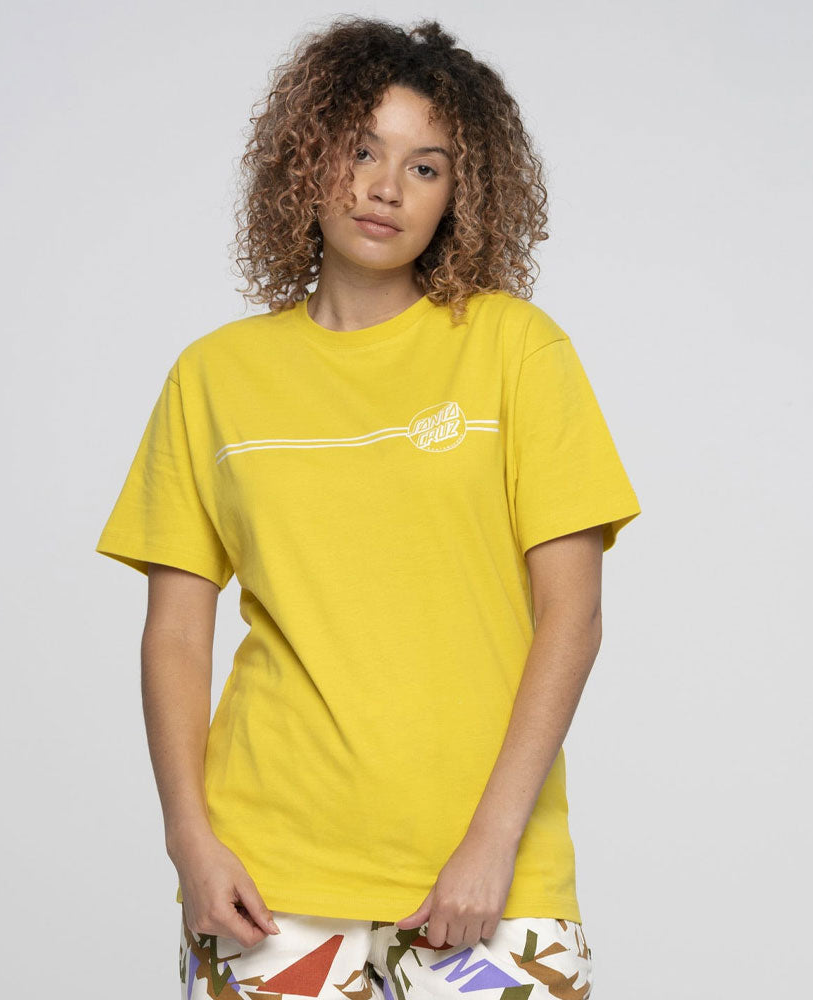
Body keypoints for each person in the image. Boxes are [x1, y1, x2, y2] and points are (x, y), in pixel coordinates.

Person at [95, 15, 641, 1000]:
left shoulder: (516, 349)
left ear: (460, 195)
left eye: (426, 167)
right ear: (306, 161)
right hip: (265, 880)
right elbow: (174, 633)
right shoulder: (214, 376)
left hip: (489, 874)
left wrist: (491, 843)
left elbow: (574, 613)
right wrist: (189, 841)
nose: (387, 187)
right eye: (360, 150)